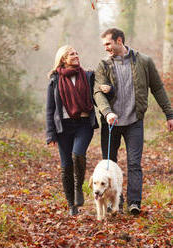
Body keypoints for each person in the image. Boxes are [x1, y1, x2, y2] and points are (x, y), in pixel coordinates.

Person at [94, 28, 173, 215]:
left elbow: (158, 89)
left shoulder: (144, 61)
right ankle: (115, 203)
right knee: (108, 164)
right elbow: (98, 93)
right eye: (104, 45)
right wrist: (107, 113)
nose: (106, 48)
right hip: (111, 123)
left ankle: (134, 203)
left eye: (108, 44)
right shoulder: (103, 65)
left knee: (134, 164)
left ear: (119, 40)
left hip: (134, 122)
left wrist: (169, 114)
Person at [46, 45, 107, 215]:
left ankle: (79, 186)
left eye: (76, 53)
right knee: (66, 166)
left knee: (77, 154)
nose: (76, 55)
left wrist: (108, 90)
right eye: (71, 54)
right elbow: (50, 108)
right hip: (63, 127)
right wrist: (50, 133)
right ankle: (72, 205)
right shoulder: (55, 79)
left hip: (83, 124)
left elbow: (98, 95)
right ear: (63, 59)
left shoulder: (87, 75)